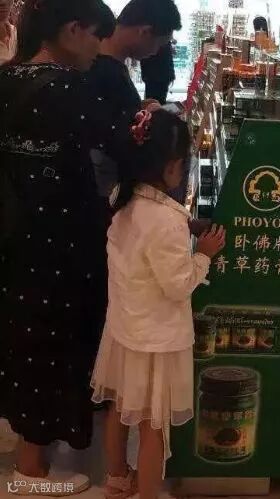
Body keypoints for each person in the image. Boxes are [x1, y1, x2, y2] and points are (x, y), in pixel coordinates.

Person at [0, 0, 122, 495]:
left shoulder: (6, 79)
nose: (98, 49)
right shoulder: (70, 88)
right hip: (61, 240)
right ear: (73, 30)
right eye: (96, 36)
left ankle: (26, 449)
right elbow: (121, 143)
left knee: (23, 339)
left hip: (15, 236)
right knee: (51, 346)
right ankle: (31, 472)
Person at [91, 109, 226, 499]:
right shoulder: (165, 221)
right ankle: (149, 491)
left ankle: (117, 479)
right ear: (171, 167)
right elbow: (178, 286)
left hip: (124, 329)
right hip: (157, 340)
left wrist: (186, 225)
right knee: (153, 423)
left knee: (119, 408)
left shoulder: (123, 198)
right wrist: (203, 254)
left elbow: (151, 232)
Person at [87, 0, 182, 123]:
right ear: (144, 32)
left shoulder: (104, 60)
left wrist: (138, 107)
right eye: (159, 45)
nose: (155, 52)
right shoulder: (107, 72)